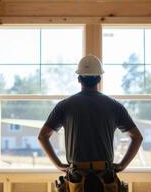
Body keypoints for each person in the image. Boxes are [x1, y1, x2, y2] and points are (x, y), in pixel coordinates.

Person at [38, 55, 143, 192]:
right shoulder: (114, 106)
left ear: (79, 79)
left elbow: (42, 136)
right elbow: (137, 137)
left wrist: (58, 165)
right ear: (99, 78)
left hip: (77, 178)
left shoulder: (65, 106)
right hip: (105, 178)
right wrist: (122, 165)